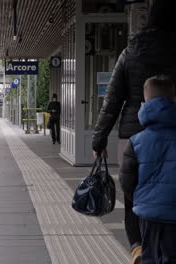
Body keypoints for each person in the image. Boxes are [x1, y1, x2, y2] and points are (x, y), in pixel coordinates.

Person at [92, 1, 176, 262]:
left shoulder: (130, 51)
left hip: (132, 133)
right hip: (173, 128)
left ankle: (138, 246)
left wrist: (99, 138)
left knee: (133, 195)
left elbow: (112, 100)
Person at [119, 75, 176, 264]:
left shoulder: (135, 142)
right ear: (174, 101)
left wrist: (141, 199)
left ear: (144, 104)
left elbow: (127, 181)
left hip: (149, 215)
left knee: (151, 257)